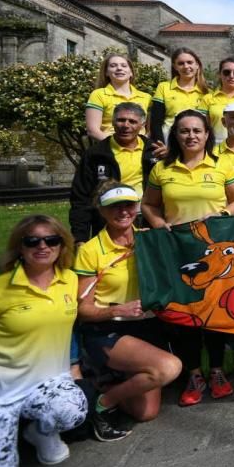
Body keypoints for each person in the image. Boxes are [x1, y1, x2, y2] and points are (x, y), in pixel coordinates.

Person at [141, 109, 234, 406]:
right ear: (175, 135)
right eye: (184, 131)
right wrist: (160, 226)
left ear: (207, 135)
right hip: (178, 250)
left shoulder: (222, 164)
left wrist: (222, 214)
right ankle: (193, 373)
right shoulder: (163, 168)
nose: (191, 136)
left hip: (211, 252)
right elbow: (148, 204)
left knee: (213, 314)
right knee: (184, 315)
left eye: (197, 131)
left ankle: (216, 371)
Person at [74, 183, 182, 441]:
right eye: (114, 206)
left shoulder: (148, 239)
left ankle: (107, 382)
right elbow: (82, 311)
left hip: (145, 326)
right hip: (109, 328)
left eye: (129, 205)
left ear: (137, 208)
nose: (123, 211)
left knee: (146, 413)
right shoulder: (90, 251)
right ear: (101, 210)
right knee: (167, 369)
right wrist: (115, 311)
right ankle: (101, 402)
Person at [0, 216, 87, 467]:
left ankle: (39, 431)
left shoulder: (70, 279)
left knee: (74, 409)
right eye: (32, 241)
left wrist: (73, 364)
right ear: (20, 247)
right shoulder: (2, 287)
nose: (43, 246)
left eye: (51, 240)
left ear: (62, 245)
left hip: (47, 383)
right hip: (3, 390)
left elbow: (67, 324)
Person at [70, 102, 156, 243]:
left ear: (142, 125)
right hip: (109, 219)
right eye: (121, 120)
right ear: (113, 122)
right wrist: (80, 237)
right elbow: (80, 197)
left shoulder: (154, 151)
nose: (126, 125)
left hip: (146, 219)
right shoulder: (96, 154)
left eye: (132, 121)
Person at [85, 53, 152, 141]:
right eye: (113, 66)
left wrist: (143, 145)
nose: (119, 68)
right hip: (110, 149)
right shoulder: (98, 94)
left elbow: (150, 130)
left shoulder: (147, 98)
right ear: (106, 73)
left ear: (131, 72)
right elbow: (93, 130)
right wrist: (116, 146)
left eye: (124, 66)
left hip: (140, 150)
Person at [150, 47, 209, 145]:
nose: (186, 66)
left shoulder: (206, 93)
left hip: (195, 142)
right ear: (175, 66)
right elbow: (156, 122)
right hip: (168, 140)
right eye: (181, 63)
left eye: (190, 62)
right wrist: (160, 145)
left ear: (197, 65)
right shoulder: (164, 87)